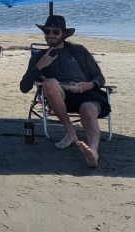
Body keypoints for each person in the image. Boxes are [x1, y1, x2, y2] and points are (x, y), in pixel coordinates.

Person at [20, 15, 110, 168]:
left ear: (64, 34)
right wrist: (39, 67)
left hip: (86, 93)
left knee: (88, 111)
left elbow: (99, 77)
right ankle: (70, 133)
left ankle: (93, 152)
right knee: (50, 83)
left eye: (55, 32)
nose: (50, 35)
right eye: (47, 31)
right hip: (60, 97)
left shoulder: (78, 51)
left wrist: (87, 85)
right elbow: (24, 87)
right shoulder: (40, 57)